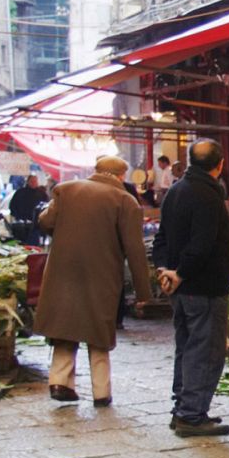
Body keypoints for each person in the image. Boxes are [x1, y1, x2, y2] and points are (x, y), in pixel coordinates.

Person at [33, 156, 152, 406]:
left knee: (64, 325)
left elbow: (45, 222)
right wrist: (144, 293)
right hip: (102, 272)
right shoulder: (125, 201)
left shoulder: (66, 189)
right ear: (121, 175)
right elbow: (135, 249)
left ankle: (59, 381)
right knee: (98, 330)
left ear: (96, 170)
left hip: (63, 270)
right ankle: (101, 391)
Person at [152, 138, 229, 436]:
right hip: (203, 287)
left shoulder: (175, 190)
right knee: (205, 350)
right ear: (220, 164)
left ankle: (184, 408)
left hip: (183, 288)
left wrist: (165, 270)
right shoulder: (206, 194)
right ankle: (191, 414)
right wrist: (180, 272)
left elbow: (161, 238)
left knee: (187, 347)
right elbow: (202, 244)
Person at [8, 174, 48, 245]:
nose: (33, 183)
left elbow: (46, 207)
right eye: (31, 181)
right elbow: (12, 206)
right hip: (21, 225)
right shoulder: (20, 192)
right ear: (28, 182)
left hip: (37, 225)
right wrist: (18, 217)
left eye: (35, 181)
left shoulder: (42, 193)